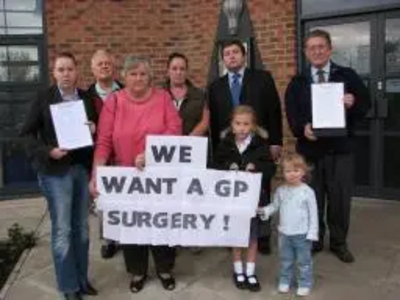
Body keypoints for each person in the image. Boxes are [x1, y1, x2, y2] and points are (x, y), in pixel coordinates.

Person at [90, 56, 181, 293]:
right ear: (124, 77)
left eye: (142, 73)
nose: (138, 78)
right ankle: (138, 270)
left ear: (150, 77)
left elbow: (175, 130)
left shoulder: (163, 98)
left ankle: (164, 268)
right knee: (132, 226)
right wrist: (96, 172)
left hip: (159, 174)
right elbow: (104, 140)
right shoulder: (115, 101)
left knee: (161, 222)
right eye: (133, 74)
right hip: (125, 175)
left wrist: (152, 154)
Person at [285, 29, 370, 263]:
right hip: (310, 152)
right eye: (312, 47)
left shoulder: (347, 75)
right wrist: (302, 128)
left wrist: (353, 103)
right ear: (306, 52)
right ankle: (315, 240)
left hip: (340, 149)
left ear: (330, 49)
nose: (317, 51)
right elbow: (292, 113)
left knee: (340, 200)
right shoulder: (298, 81)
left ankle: (339, 243)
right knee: (312, 198)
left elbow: (366, 105)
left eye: (321, 46)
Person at [20, 52, 98, 300]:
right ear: (54, 73)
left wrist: (94, 128)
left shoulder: (86, 98)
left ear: (77, 71)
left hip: (81, 170)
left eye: (70, 69)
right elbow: (26, 135)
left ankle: (82, 280)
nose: (66, 74)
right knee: (63, 230)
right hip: (56, 174)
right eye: (61, 70)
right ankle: (68, 287)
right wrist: (48, 151)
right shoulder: (43, 98)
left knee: (83, 230)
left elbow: (96, 131)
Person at [208, 39, 282, 254]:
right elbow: (214, 123)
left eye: (235, 52)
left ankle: (263, 236)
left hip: (258, 145)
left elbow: (274, 111)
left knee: (261, 191)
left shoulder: (263, 78)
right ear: (223, 59)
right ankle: (233, 235)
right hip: (230, 148)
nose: (231, 56)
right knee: (232, 194)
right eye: (227, 53)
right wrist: (217, 153)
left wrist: (276, 142)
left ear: (244, 55)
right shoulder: (215, 87)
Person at [214, 105, 276, 292]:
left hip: (254, 199)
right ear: (232, 125)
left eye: (246, 124)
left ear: (253, 126)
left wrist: (255, 166)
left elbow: (270, 168)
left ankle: (250, 271)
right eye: (238, 123)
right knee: (237, 235)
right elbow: (215, 164)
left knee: (252, 236)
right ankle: (238, 269)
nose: (241, 127)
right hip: (232, 199)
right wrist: (228, 165)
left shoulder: (261, 145)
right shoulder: (225, 144)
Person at [258, 153, 318, 297]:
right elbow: (275, 206)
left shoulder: (307, 192)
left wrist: (312, 233)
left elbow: (313, 214)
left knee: (304, 262)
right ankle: (285, 280)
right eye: (288, 171)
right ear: (283, 173)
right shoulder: (280, 191)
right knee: (286, 260)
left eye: (296, 171)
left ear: (303, 172)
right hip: (284, 234)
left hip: (302, 234)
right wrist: (264, 210)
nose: (292, 174)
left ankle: (305, 283)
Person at [86, 49, 123, 259]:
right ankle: (109, 239)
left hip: (123, 154)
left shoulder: (126, 92)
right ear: (92, 69)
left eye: (107, 63)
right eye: (99, 64)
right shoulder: (84, 97)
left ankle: (126, 236)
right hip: (99, 154)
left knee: (125, 197)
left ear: (114, 66)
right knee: (104, 200)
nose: (104, 66)